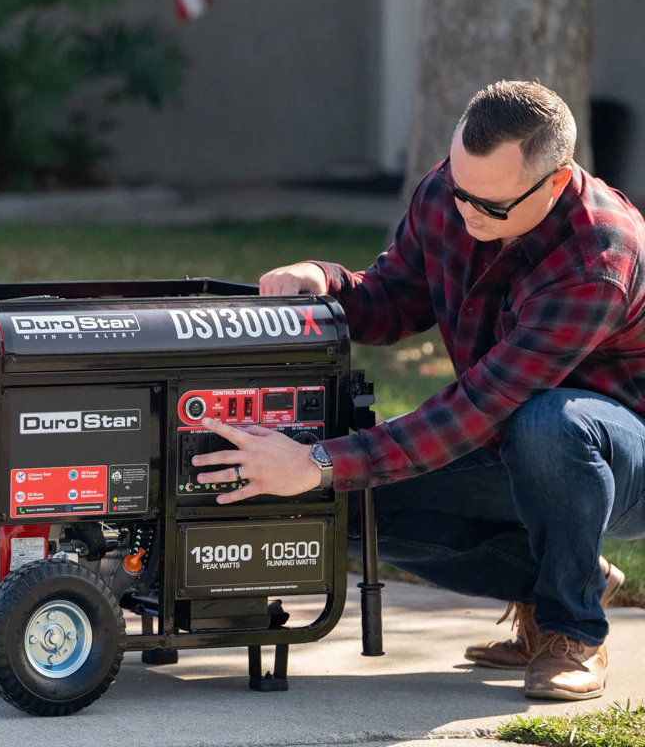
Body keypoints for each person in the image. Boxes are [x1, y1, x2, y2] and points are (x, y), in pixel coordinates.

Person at [191, 80, 645, 701]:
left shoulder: (599, 254)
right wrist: (325, 284)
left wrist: (320, 461)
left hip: (616, 456)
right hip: (509, 439)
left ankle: (572, 629)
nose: (466, 212)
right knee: (343, 507)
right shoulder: (453, 191)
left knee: (551, 423)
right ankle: (564, 577)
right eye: (459, 190)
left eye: (491, 206)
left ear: (558, 182)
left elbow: (482, 405)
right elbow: (393, 299)